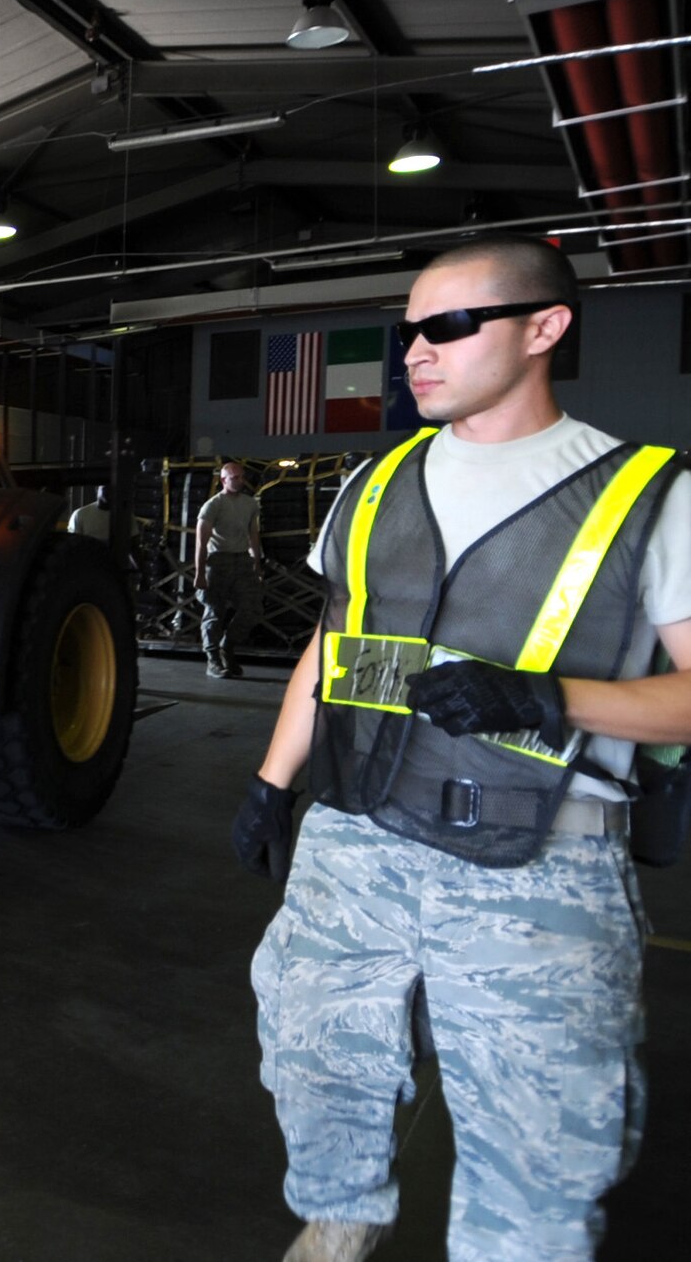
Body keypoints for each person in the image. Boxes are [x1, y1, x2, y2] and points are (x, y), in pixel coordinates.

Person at [231, 233, 691, 1262]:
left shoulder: (647, 496)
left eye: (446, 326)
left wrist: (546, 697)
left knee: (537, 1122)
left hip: (539, 858)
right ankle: (338, 1205)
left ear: (543, 328)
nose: (414, 353)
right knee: (311, 1050)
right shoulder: (370, 482)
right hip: (353, 837)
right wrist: (271, 783)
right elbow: (330, 644)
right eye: (407, 332)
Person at [194, 460, 264, 678]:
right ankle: (213, 659)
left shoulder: (250, 504)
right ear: (224, 480)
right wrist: (199, 573)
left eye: (242, 477)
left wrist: (257, 563)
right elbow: (201, 542)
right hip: (218, 562)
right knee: (215, 612)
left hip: (242, 560)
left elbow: (253, 534)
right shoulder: (213, 505)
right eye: (235, 478)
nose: (240, 481)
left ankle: (228, 647)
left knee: (252, 609)